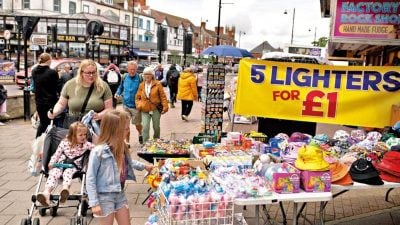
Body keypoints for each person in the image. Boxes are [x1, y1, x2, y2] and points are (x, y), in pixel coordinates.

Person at [86, 110, 153, 225]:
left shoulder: (121, 146)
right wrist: (94, 203)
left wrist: (145, 166)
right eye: (126, 128)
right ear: (114, 130)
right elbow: (90, 178)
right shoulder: (98, 151)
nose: (128, 131)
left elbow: (127, 162)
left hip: (120, 193)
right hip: (104, 196)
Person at [37, 122, 94, 207]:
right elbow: (57, 154)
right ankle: (46, 193)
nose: (84, 137)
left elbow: (96, 148)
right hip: (60, 163)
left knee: (68, 173)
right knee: (53, 174)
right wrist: (52, 162)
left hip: (73, 166)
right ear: (73, 135)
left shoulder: (85, 144)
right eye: (81, 135)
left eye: (85, 134)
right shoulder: (64, 142)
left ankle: (65, 190)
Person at [48, 59, 113, 128]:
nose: (91, 75)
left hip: (96, 127)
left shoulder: (103, 86)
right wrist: (54, 112)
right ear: (81, 72)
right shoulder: (70, 85)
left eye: (94, 72)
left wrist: (99, 115)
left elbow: (109, 109)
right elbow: (61, 104)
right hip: (74, 127)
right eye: (88, 73)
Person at [135, 67, 169, 143]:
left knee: (156, 127)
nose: (147, 76)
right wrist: (139, 105)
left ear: (152, 75)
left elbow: (163, 96)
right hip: (145, 109)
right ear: (143, 75)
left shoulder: (158, 84)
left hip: (155, 109)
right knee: (145, 127)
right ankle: (145, 144)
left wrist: (165, 107)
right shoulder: (141, 85)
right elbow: (137, 97)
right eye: (145, 74)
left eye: (149, 74)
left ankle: (156, 142)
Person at [115, 61, 143, 145]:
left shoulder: (140, 78)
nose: (132, 71)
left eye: (134, 69)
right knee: (126, 125)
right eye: (130, 69)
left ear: (136, 69)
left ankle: (140, 133)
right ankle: (127, 142)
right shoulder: (124, 77)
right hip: (125, 105)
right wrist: (117, 93)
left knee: (137, 124)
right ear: (127, 69)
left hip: (136, 107)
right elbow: (121, 87)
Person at [32, 53, 60, 137]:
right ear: (49, 60)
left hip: (39, 102)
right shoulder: (52, 72)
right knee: (53, 122)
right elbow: (56, 87)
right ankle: (50, 141)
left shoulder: (34, 71)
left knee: (43, 123)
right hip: (51, 102)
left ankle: (38, 141)